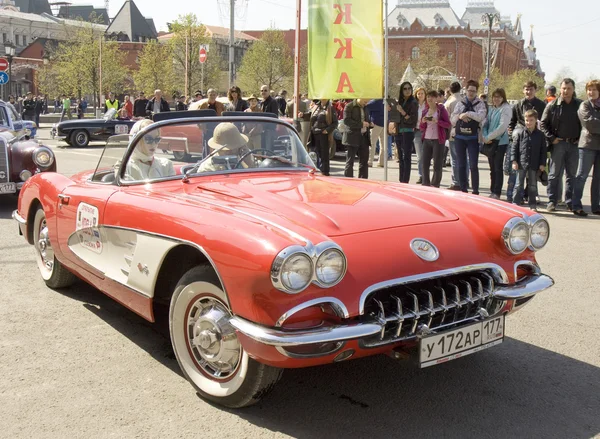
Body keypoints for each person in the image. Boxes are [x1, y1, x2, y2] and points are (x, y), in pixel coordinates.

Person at [540, 78, 582, 211]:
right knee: (554, 174)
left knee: (572, 175)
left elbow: (585, 125)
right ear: (560, 89)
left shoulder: (580, 105)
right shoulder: (552, 105)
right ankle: (552, 201)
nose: (566, 91)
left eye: (569, 88)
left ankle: (570, 202)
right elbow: (542, 124)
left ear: (573, 89)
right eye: (564, 88)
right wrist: (552, 138)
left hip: (574, 145)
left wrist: (580, 139)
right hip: (558, 144)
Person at [506, 81, 547, 203]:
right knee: (519, 169)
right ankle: (514, 196)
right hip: (521, 136)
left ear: (535, 90)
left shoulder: (541, 105)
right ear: (523, 90)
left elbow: (544, 122)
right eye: (526, 89)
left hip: (536, 136)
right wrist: (512, 132)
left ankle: (531, 195)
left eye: (531, 89)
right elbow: (512, 122)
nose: (528, 92)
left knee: (533, 170)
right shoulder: (518, 104)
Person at [451, 80, 487, 194]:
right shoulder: (460, 103)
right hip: (460, 137)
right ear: (466, 90)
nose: (471, 93)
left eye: (473, 91)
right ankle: (463, 189)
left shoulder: (480, 103)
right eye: (469, 90)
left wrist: (468, 114)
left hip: (473, 138)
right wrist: (461, 116)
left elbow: (481, 117)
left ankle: (475, 190)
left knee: (473, 165)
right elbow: (452, 119)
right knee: (461, 164)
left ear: (476, 91)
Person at [571, 80, 600, 216]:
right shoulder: (584, 105)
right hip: (587, 145)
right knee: (581, 176)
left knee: (598, 178)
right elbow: (590, 124)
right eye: (589, 89)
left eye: (594, 89)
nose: (591, 92)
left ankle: (596, 206)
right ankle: (576, 205)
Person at [511, 110, 547, 210]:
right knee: (518, 184)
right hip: (521, 163)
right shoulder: (520, 133)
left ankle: (532, 205)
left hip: (534, 164)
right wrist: (514, 161)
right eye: (527, 120)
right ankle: (515, 203)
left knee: (532, 185)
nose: (528, 122)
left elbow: (543, 151)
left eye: (531, 120)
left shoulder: (540, 135)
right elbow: (514, 147)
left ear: (536, 121)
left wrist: (542, 163)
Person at [482, 88, 512, 199]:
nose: (496, 99)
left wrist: (489, 136)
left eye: (499, 97)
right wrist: (485, 136)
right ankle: (492, 189)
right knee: (492, 167)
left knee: (497, 167)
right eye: (495, 96)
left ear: (503, 97)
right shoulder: (492, 109)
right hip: (489, 141)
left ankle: (497, 191)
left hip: (500, 142)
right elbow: (486, 124)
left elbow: (502, 127)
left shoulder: (506, 109)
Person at [419, 90, 451, 187]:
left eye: (432, 97)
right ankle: (425, 183)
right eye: (428, 97)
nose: (430, 99)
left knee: (437, 164)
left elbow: (448, 124)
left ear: (436, 98)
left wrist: (437, 121)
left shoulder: (441, 110)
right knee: (424, 163)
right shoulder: (425, 111)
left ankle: (435, 184)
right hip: (427, 139)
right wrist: (423, 122)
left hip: (438, 139)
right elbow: (421, 127)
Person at [392, 82, 419, 183]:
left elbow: (413, 120)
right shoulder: (401, 101)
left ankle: (405, 181)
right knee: (400, 158)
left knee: (406, 157)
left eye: (409, 88)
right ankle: (401, 180)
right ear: (401, 91)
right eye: (405, 89)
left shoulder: (413, 102)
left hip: (407, 132)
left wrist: (402, 112)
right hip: (399, 131)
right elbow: (397, 117)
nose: (407, 90)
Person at [309, 99, 337, 176]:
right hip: (314, 133)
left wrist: (327, 130)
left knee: (324, 154)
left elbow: (335, 123)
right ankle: (316, 169)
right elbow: (310, 116)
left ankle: (325, 171)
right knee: (315, 152)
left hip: (323, 134)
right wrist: (303, 115)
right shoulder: (316, 107)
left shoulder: (330, 108)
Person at [343, 99, 370, 179]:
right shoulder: (349, 106)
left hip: (364, 137)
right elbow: (346, 121)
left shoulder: (366, 107)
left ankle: (363, 181)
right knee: (350, 161)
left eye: (368, 100)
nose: (367, 101)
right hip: (352, 137)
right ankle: (348, 181)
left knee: (364, 162)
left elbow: (366, 120)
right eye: (365, 99)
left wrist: (370, 124)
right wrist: (361, 124)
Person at [444, 82, 464, 190]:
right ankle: (465, 180)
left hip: (453, 132)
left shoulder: (449, 102)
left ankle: (456, 181)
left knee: (455, 158)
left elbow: (446, 118)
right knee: (464, 158)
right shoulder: (464, 100)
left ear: (450, 90)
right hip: (465, 132)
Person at [366, 98, 386, 167]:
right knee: (383, 145)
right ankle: (381, 162)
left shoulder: (374, 102)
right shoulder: (386, 101)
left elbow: (366, 107)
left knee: (372, 143)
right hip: (384, 124)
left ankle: (370, 161)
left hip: (375, 124)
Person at [413, 87, 427, 183]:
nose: (420, 95)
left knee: (427, 155)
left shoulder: (428, 105)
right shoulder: (414, 105)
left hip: (427, 131)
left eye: (422, 93)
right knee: (420, 155)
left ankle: (426, 175)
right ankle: (421, 175)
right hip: (417, 131)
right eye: (419, 94)